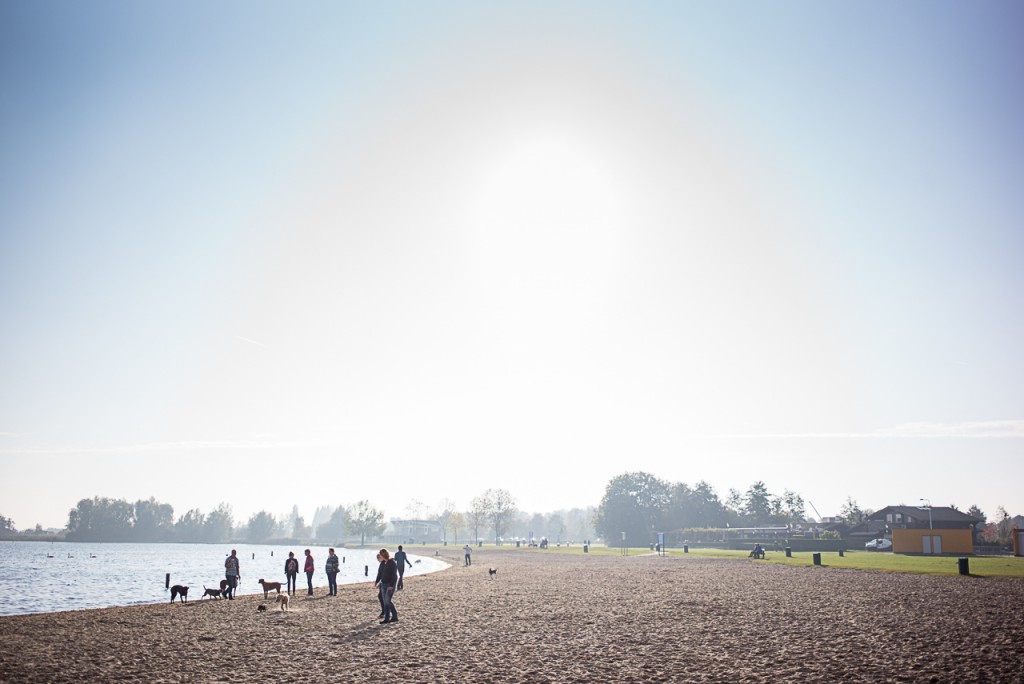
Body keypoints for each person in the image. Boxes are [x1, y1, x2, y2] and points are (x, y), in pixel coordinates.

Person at [374, 548, 398, 624]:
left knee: (387, 601)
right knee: (385, 602)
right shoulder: (383, 563)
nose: (379, 557)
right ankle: (387, 618)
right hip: (383, 584)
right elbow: (380, 573)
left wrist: (391, 585)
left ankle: (395, 616)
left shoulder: (392, 563)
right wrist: (378, 582)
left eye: (380, 555)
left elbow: (394, 575)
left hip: (390, 585)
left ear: (383, 555)